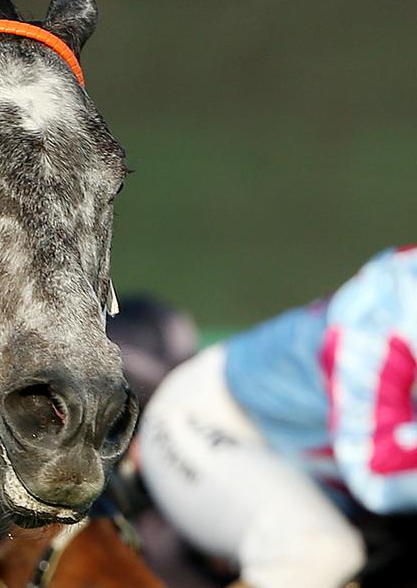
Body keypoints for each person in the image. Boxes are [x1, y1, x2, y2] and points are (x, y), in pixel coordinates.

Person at [138, 245, 417, 588]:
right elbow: (378, 470)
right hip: (209, 421)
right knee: (315, 551)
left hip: (317, 475)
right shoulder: (384, 311)